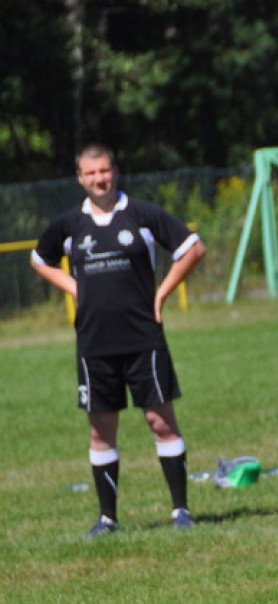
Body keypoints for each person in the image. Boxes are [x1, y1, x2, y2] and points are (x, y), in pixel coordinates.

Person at [31, 142, 207, 537]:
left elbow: (194, 249)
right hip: (94, 342)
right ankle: (107, 519)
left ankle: (181, 511)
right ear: (80, 178)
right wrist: (76, 288)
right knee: (100, 430)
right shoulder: (69, 224)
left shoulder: (142, 215)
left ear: (115, 171)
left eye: (105, 171)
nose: (99, 179)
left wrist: (161, 294)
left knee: (161, 421)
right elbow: (39, 260)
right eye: (91, 173)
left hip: (144, 337)